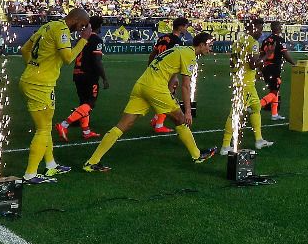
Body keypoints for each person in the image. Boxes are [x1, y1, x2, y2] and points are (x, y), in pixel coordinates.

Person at [83, 33, 218, 171]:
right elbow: (186, 86)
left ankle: (92, 162)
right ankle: (197, 156)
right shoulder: (189, 55)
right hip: (155, 87)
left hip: (141, 84)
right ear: (201, 45)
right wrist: (188, 111)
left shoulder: (179, 49)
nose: (210, 48)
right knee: (181, 119)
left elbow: (164, 66)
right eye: (209, 45)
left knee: (123, 124)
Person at [17, 8, 90, 184]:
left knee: (46, 126)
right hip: (40, 85)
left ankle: (50, 164)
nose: (81, 29)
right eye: (81, 25)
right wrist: (83, 40)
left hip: (32, 80)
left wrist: (34, 67)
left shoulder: (48, 26)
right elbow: (67, 58)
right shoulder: (62, 29)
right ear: (75, 19)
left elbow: (24, 49)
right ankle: (30, 174)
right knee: (42, 129)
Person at [223, 17, 270, 153]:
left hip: (241, 80)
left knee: (255, 107)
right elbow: (253, 64)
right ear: (253, 27)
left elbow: (233, 63)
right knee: (235, 113)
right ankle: (225, 146)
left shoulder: (238, 40)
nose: (261, 33)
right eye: (260, 29)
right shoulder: (253, 42)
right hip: (246, 84)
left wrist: (252, 73)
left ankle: (259, 140)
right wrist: (266, 55)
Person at [58, 15, 107, 143]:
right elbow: (97, 61)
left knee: (83, 103)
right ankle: (64, 125)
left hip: (77, 74)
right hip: (89, 75)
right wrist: (104, 78)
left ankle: (86, 131)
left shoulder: (82, 39)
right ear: (99, 26)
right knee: (90, 103)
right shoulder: (96, 40)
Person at [147, 18, 190, 135]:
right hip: (167, 72)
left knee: (163, 96)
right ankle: (159, 124)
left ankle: (156, 119)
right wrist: (174, 76)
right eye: (185, 26)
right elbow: (173, 59)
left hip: (155, 70)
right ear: (180, 27)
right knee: (168, 97)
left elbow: (152, 54)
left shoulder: (162, 38)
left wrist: (149, 67)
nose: (186, 29)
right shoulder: (177, 42)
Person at [258, 20, 293, 120]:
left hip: (266, 68)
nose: (281, 28)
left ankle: (274, 114)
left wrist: (260, 70)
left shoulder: (265, 40)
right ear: (278, 28)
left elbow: (261, 56)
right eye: (280, 26)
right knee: (274, 91)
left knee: (275, 90)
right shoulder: (280, 40)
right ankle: (257, 106)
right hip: (274, 68)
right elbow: (285, 54)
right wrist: (294, 63)